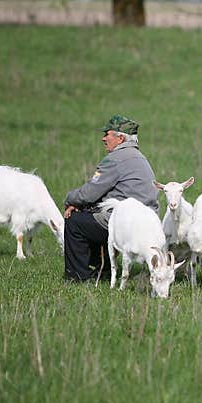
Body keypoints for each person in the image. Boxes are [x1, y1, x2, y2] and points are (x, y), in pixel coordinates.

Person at [64, 114, 159, 282]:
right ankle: (103, 270)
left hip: (127, 224)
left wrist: (70, 200)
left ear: (120, 138)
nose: (103, 138)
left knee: (75, 222)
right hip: (148, 222)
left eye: (107, 134)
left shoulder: (115, 159)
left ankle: (77, 277)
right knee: (91, 214)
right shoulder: (140, 158)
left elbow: (89, 193)